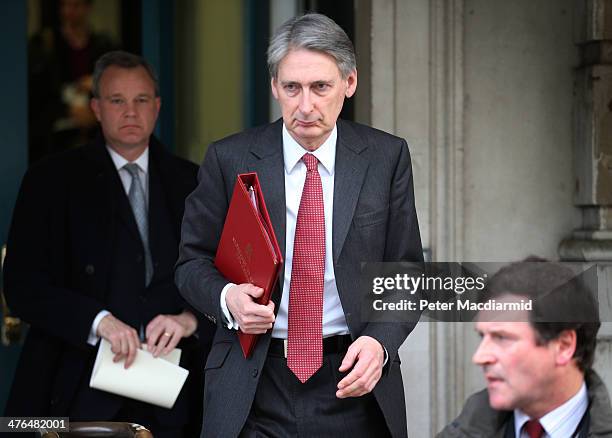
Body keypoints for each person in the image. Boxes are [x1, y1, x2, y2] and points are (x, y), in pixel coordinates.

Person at [176, 12, 423, 438]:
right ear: (274, 87)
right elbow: (190, 263)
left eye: (320, 87)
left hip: (351, 379)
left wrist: (381, 343)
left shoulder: (386, 158)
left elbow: (406, 271)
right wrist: (227, 297)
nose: (305, 105)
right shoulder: (229, 159)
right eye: (292, 88)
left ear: (349, 83)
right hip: (254, 381)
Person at [3, 51, 213, 438]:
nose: (130, 112)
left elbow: (227, 277)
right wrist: (97, 321)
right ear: (96, 108)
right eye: (117, 100)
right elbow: (22, 286)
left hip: (176, 393)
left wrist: (190, 318)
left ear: (158, 106)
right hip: (74, 389)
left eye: (141, 100)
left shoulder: (195, 181)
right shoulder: (49, 181)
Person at [437, 260, 612, 438]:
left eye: (502, 338)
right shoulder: (464, 431)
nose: (480, 357)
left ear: (563, 346)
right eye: (483, 337)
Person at [28, 0, 116, 163]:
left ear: (88, 8)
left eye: (75, 6)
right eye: (64, 5)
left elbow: (119, 86)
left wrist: (94, 111)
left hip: (94, 133)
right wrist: (67, 110)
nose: (69, 12)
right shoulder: (44, 44)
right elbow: (36, 94)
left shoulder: (103, 46)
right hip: (54, 137)